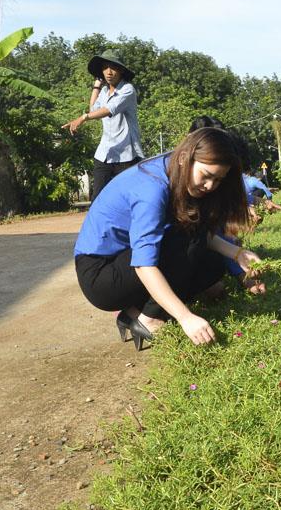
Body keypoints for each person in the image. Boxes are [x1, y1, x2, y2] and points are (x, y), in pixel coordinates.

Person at [73, 127, 265, 351]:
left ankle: (135, 312)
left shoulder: (176, 170)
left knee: (213, 264)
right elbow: (144, 264)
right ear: (184, 158)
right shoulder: (151, 189)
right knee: (187, 237)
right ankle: (149, 319)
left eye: (218, 180)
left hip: (125, 263)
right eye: (206, 175)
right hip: (101, 274)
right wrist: (185, 317)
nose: (210, 186)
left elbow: (201, 235)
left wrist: (238, 254)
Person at [62, 49, 144, 201]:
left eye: (113, 68)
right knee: (97, 200)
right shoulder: (105, 91)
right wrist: (96, 86)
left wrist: (83, 118)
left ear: (121, 70)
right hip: (105, 153)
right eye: (105, 68)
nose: (109, 72)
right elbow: (94, 110)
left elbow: (108, 110)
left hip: (126, 155)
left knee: (127, 199)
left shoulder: (127, 90)